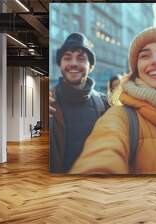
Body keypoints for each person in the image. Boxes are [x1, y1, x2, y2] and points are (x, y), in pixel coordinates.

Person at [70, 27, 156, 174]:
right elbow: (101, 155)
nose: (155, 61)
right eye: (145, 56)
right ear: (137, 68)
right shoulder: (120, 116)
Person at [49, 32, 109, 173]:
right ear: (60, 64)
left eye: (81, 58)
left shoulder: (105, 104)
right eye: (67, 58)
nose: (74, 63)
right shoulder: (48, 102)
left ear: (91, 66)